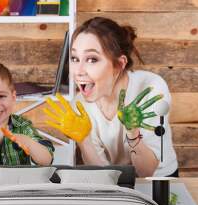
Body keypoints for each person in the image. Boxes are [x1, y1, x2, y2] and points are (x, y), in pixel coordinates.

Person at [44, 17, 178, 177]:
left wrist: (132, 132)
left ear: (119, 65)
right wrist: (84, 140)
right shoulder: (80, 105)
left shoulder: (151, 88)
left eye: (92, 59)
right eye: (74, 58)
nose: (78, 71)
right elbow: (103, 175)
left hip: (160, 182)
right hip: (115, 181)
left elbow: (145, 172)